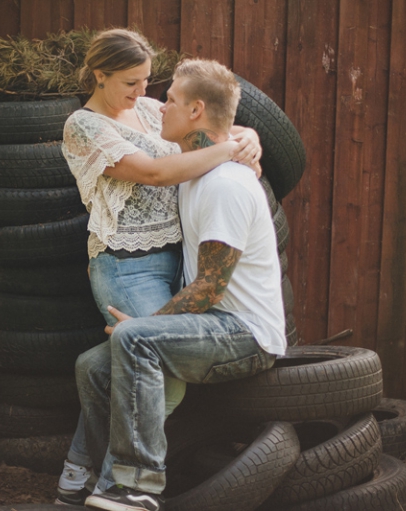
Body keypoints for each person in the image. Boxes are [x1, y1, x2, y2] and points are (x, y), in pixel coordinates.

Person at [56, 29, 263, 506]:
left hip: (178, 262)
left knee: (98, 367)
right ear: (99, 75)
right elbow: (152, 171)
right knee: (164, 373)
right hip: (127, 267)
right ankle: (119, 491)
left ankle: (76, 470)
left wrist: (247, 135)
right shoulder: (83, 126)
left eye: (148, 80)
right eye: (130, 82)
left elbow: (208, 133)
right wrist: (231, 149)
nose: (142, 92)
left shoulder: (151, 110)